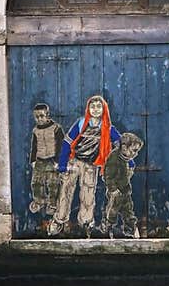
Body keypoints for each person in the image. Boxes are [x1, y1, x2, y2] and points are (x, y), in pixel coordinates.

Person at [48, 94, 120, 237]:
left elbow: (120, 144)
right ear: (88, 109)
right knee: (65, 191)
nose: (95, 109)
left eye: (99, 107)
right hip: (74, 162)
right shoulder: (81, 124)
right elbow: (68, 142)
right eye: (92, 106)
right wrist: (63, 163)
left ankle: (86, 223)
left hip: (91, 165)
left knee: (88, 194)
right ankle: (59, 220)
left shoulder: (107, 128)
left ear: (104, 109)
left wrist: (126, 160)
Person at [100, 131, 143, 238]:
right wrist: (113, 189)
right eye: (134, 151)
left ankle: (130, 229)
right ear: (124, 148)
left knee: (128, 210)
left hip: (124, 190)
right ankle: (107, 227)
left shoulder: (127, 160)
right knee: (112, 210)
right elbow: (108, 175)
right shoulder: (114, 158)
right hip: (115, 192)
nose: (135, 154)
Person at [27, 103, 64, 220]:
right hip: (40, 160)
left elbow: (61, 145)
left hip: (52, 160)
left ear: (48, 116)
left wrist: (59, 160)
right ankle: (39, 201)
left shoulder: (56, 128)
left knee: (53, 184)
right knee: (36, 183)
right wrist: (33, 160)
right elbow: (34, 145)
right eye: (36, 117)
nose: (39, 119)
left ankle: (52, 203)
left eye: (42, 116)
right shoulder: (35, 131)